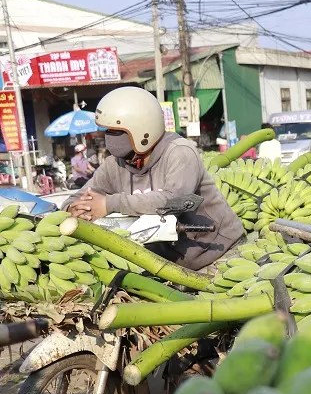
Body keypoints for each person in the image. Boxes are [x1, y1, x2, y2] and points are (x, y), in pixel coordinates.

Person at [62, 87, 245, 271]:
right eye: (108, 131)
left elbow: (176, 201)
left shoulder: (180, 152)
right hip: (169, 266)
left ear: (143, 129)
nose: (111, 138)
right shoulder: (114, 164)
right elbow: (76, 198)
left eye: (117, 132)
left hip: (220, 254)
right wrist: (77, 209)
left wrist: (110, 204)